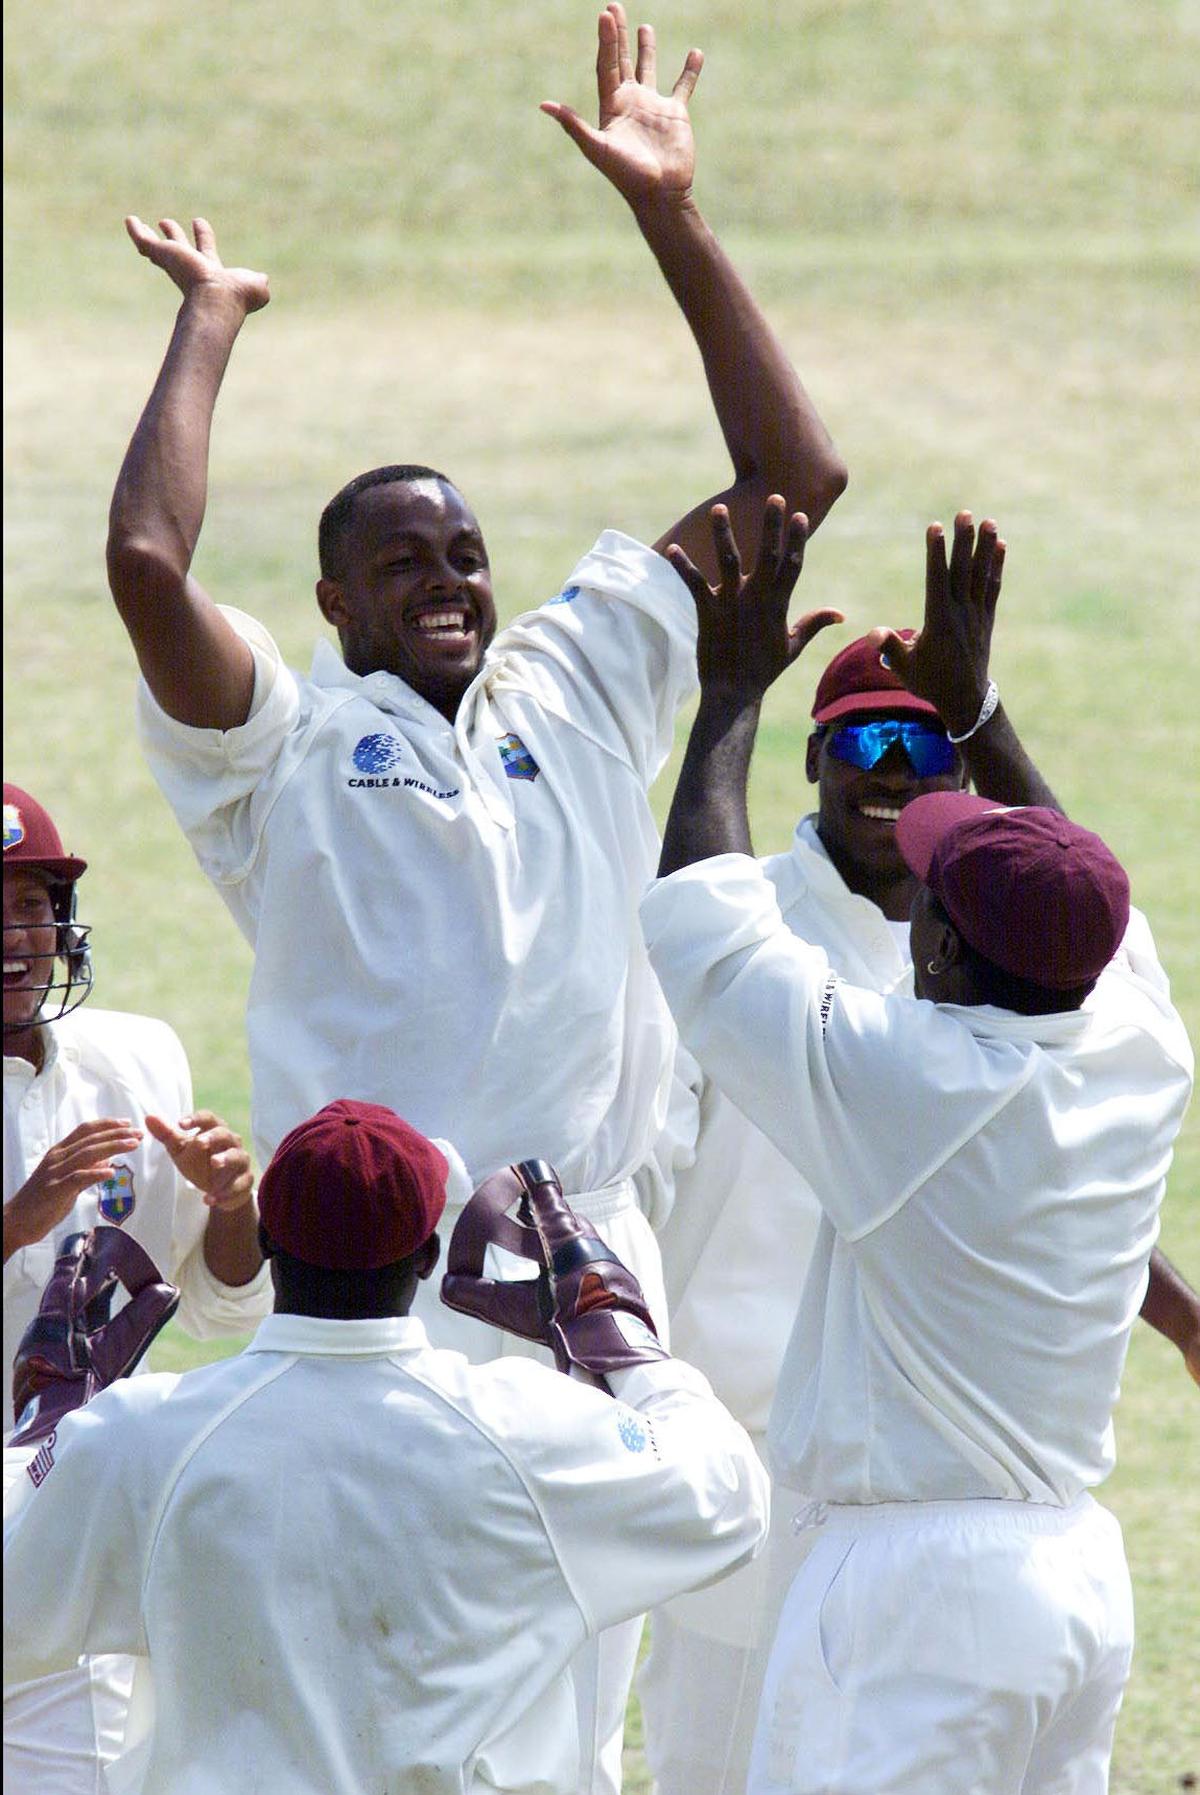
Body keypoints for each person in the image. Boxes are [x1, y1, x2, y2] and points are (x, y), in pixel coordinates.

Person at [103, 10, 844, 1784]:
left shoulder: (580, 675)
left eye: (464, 554)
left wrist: (673, 214)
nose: (448, 581)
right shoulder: (283, 756)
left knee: (562, 1738)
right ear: (336, 603)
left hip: (586, 1289)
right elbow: (144, 565)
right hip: (372, 1306)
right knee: (354, 1717)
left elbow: (794, 483)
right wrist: (210, 324)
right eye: (400, 564)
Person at [639, 500, 1193, 1794]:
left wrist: (728, 692)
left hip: (911, 1593)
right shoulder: (1137, 1043)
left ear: (942, 949)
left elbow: (700, 923)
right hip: (1073, 1579)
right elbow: (1088, 902)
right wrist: (980, 705)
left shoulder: (912, 1084)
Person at [4, 1100, 770, 1795]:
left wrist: (43, 1425)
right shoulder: (530, 1427)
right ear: (432, 1255)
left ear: (270, 1240)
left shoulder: (144, 1437)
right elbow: (731, 1496)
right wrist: (624, 1346)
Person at [3, 780, 271, 1794]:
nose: (15, 937)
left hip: (77, 1520)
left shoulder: (136, 1059)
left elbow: (220, 1304)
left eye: (32, 906)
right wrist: (16, 1226)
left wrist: (233, 1207)